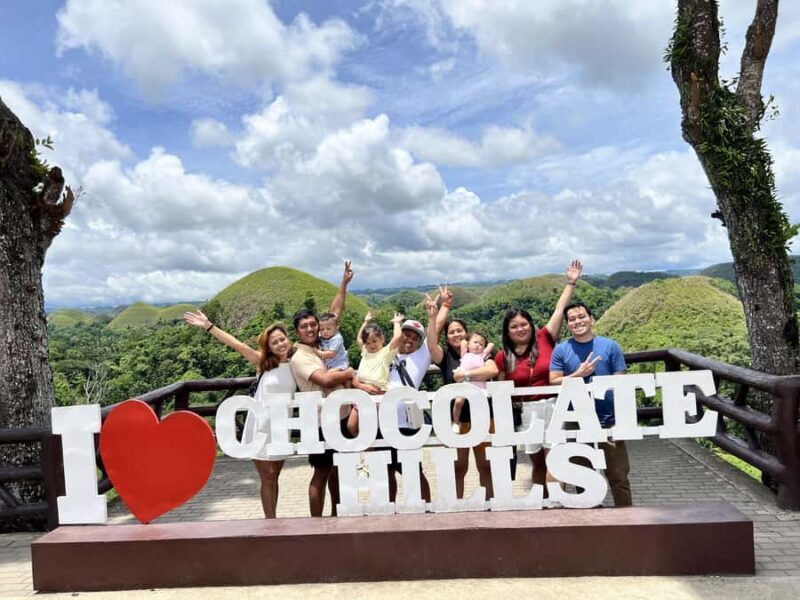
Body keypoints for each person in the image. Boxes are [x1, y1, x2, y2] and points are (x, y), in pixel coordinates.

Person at [182, 312, 295, 519]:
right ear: (268, 347)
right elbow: (238, 345)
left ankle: (274, 520)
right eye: (274, 342)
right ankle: (271, 523)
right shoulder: (264, 362)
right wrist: (209, 326)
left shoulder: (296, 363)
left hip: (281, 428)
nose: (280, 344)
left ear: (288, 339)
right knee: (268, 476)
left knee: (275, 476)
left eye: (282, 339)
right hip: (259, 427)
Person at [493, 260, 583, 492]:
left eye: (524, 324)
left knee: (556, 458)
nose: (520, 329)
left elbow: (559, 311)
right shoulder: (503, 357)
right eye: (514, 326)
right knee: (538, 463)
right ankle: (542, 503)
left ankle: (556, 502)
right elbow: (501, 390)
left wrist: (571, 283)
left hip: (553, 405)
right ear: (507, 332)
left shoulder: (544, 338)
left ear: (531, 325)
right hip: (526, 411)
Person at [290, 261, 357, 517]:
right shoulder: (301, 356)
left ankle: (337, 515)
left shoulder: (323, 342)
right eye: (304, 326)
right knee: (321, 472)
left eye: (313, 324)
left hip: (339, 416)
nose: (310, 329)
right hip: (318, 422)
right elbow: (326, 380)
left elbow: (335, 312)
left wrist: (344, 283)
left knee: (338, 468)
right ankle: (316, 523)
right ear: (297, 331)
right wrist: (349, 373)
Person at [549, 301, 631, 507]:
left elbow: (620, 381)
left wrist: (623, 419)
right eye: (572, 319)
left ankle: (626, 516)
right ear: (568, 324)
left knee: (618, 475)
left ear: (591, 319)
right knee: (582, 478)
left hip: (608, 420)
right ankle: (591, 517)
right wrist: (578, 374)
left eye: (582, 316)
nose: (577, 321)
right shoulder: (561, 349)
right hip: (575, 420)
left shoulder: (610, 346)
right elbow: (554, 380)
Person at [428, 287, 499, 498]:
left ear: (467, 334)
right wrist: (436, 314)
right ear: (446, 337)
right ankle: (457, 505)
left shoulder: (479, 353)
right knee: (458, 466)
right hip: (457, 420)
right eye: (451, 332)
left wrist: (464, 375)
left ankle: (490, 504)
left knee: (486, 465)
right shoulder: (445, 357)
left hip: (483, 416)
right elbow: (431, 344)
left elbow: (492, 370)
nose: (456, 334)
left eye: (460, 330)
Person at [346, 310, 403, 435]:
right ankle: (365, 446)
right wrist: (365, 322)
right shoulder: (365, 352)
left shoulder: (385, 353)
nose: (371, 345)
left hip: (377, 393)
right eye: (368, 343)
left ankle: (372, 446)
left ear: (382, 339)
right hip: (362, 393)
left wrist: (396, 323)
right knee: (351, 426)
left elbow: (397, 337)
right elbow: (359, 338)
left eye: (374, 341)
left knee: (372, 428)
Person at [452, 333, 494, 432]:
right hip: (465, 382)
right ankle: (456, 422)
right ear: (468, 345)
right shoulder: (464, 354)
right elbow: (463, 342)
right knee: (458, 401)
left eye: (481, 344)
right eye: (475, 342)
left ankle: (478, 424)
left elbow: (491, 345)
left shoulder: (482, 355)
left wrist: (482, 344)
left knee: (479, 405)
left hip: (478, 384)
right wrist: (470, 340)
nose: (478, 345)